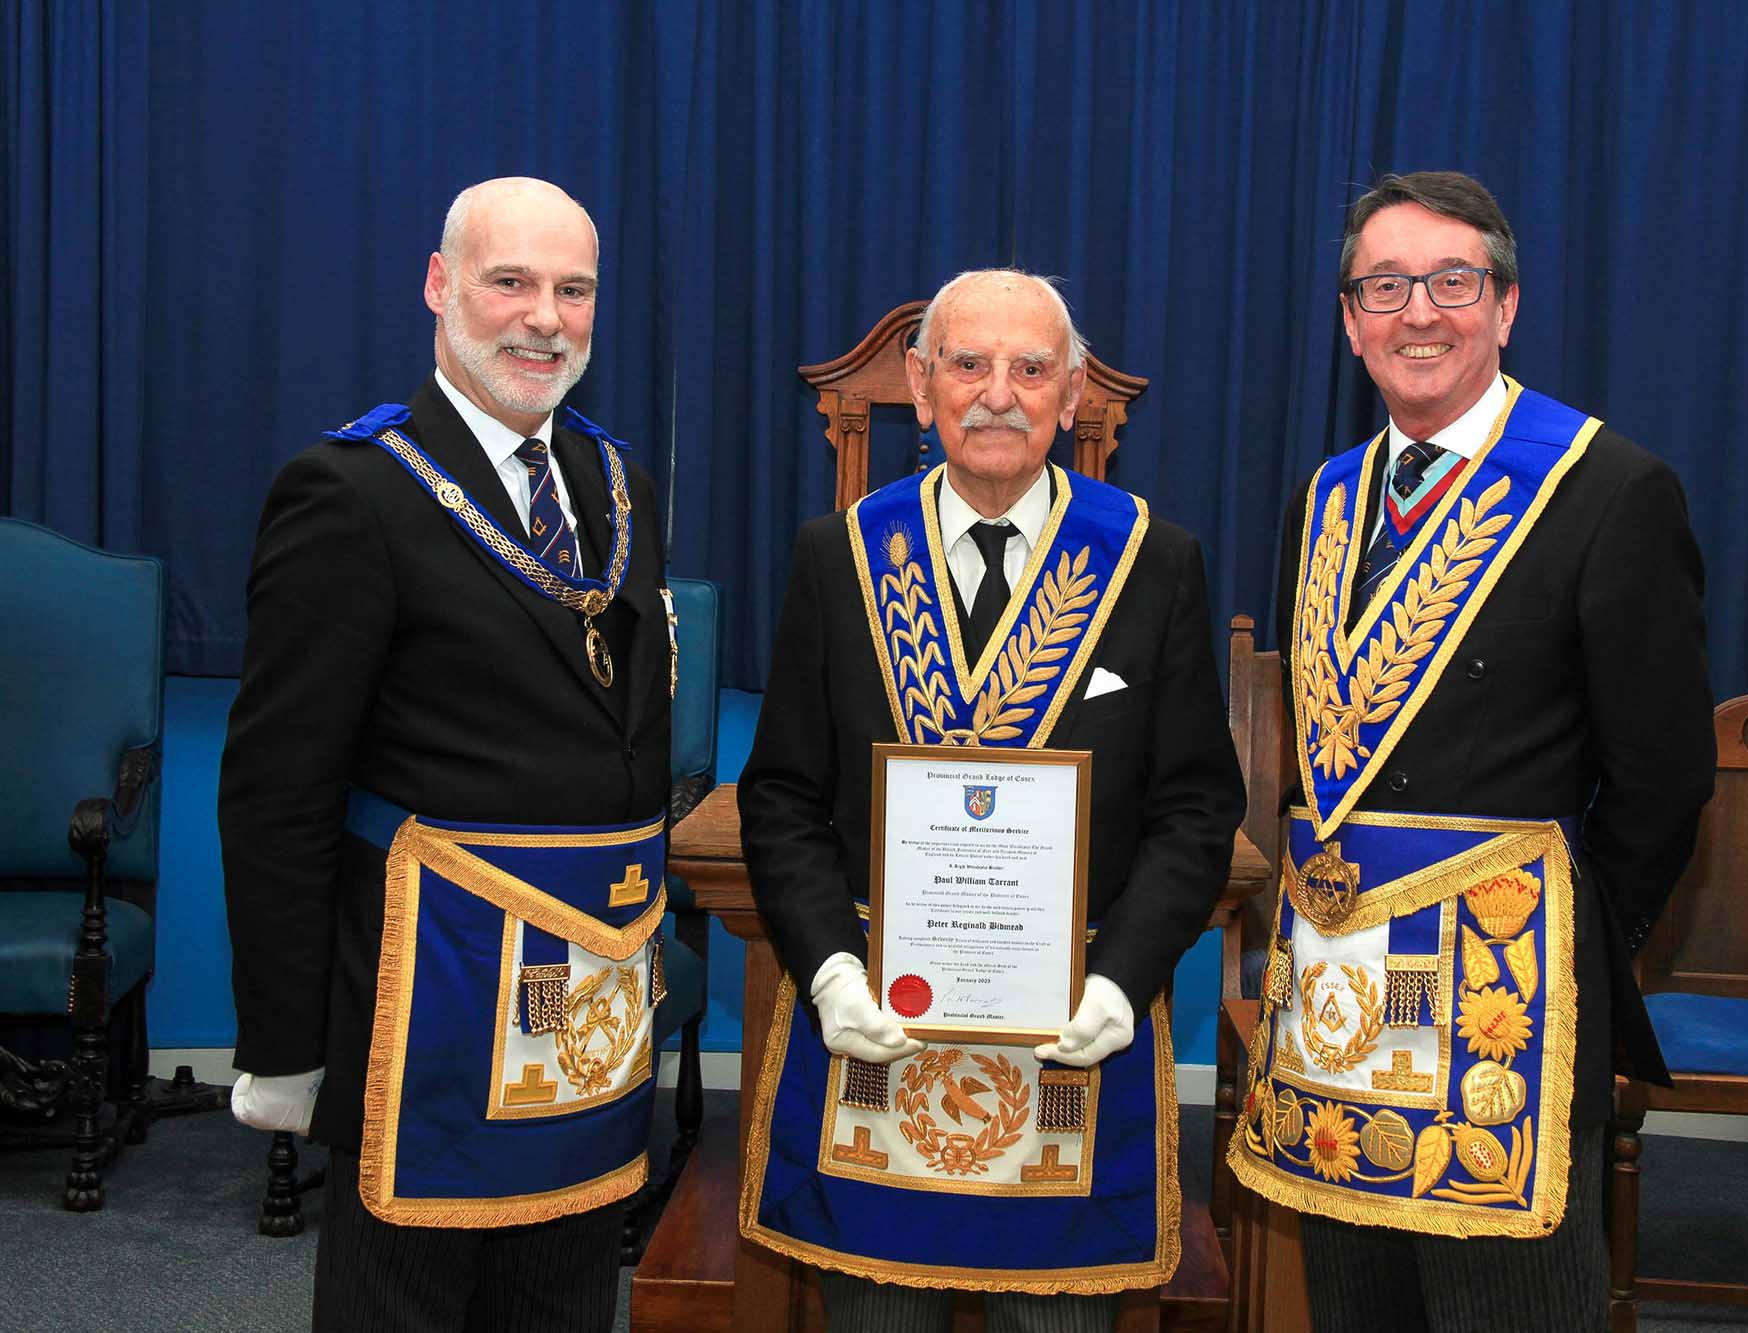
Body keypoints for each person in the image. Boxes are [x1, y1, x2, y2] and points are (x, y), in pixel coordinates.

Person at [1226, 171, 1715, 1331]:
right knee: (1358, 1309)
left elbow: (1660, 779)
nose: (1417, 313)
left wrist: (1566, 950)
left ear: (1503, 307)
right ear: (1349, 322)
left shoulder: (1608, 489)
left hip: (1504, 1016)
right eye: (1383, 287)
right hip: (1346, 1009)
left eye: (1451, 281)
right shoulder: (1324, 498)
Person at [736, 269, 1245, 1332]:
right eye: (968, 365)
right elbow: (782, 793)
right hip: (877, 1033)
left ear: (1070, 395)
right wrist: (829, 973)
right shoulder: (838, 556)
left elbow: (1197, 806)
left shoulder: (1153, 562)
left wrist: (1123, 981)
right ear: (921, 387)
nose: (997, 394)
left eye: (1029, 368)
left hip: (1072, 1045)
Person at [219, 177, 677, 1332]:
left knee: (566, 1293)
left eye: (573, 291)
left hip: (586, 990)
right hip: (423, 1000)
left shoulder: (615, 485)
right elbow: (278, 789)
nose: (544, 318)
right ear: (440, 287)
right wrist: (284, 1044)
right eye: (510, 282)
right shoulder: (350, 493)